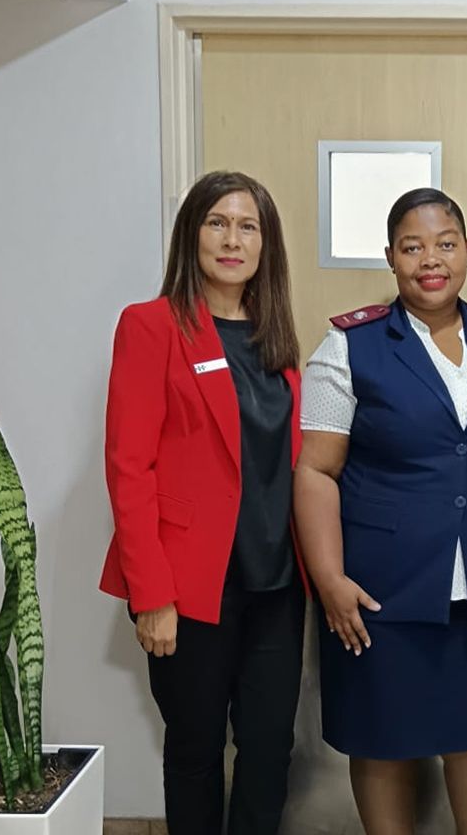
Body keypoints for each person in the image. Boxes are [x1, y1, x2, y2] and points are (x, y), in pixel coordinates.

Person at [293, 187, 467, 835]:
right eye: (412, 247)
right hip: (381, 587)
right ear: (391, 257)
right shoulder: (348, 346)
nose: (430, 260)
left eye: (445, 244)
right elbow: (316, 471)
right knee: (383, 740)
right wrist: (329, 579)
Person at [100, 171, 306, 835]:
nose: (232, 239)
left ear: (265, 246)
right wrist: (150, 592)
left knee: (271, 752)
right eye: (217, 222)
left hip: (277, 585)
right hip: (189, 588)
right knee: (194, 753)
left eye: (249, 227)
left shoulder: (278, 340)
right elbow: (128, 467)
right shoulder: (151, 326)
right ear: (190, 235)